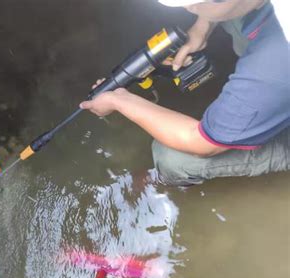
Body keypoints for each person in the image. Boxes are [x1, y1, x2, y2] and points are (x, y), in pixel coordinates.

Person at [80, 0, 290, 186]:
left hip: (277, 71)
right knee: (231, 18)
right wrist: (201, 27)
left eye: (200, 2)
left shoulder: (275, 62)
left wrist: (120, 101)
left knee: (174, 159)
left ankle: (159, 179)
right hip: (272, 61)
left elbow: (202, 143)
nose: (190, 7)